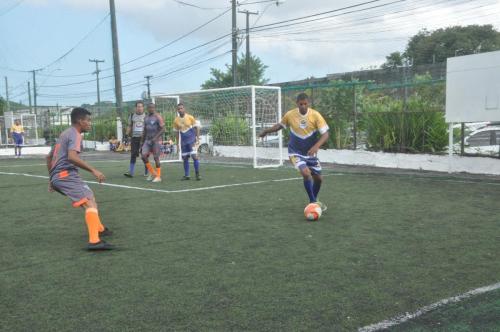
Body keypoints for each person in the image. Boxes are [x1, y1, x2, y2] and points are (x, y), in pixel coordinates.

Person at [46, 107, 113, 250]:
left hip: (60, 176)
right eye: (88, 120)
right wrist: (93, 170)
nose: (90, 123)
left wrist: (51, 179)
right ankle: (94, 241)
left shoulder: (64, 134)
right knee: (89, 203)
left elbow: (49, 157)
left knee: (90, 197)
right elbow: (72, 157)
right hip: (65, 175)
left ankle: (99, 229)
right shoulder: (75, 134)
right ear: (79, 121)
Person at [259, 93, 329, 211]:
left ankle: (314, 200)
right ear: (297, 104)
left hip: (310, 153)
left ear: (308, 103)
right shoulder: (290, 115)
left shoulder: (315, 115)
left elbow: (325, 134)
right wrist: (266, 131)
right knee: (306, 173)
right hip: (295, 152)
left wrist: (316, 146)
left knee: (318, 179)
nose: (303, 106)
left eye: (305, 104)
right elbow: (279, 126)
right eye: (300, 104)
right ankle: (312, 203)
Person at [173, 103, 201, 180]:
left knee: (195, 157)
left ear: (184, 109)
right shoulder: (176, 120)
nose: (180, 110)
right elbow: (176, 132)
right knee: (185, 158)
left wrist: (197, 138)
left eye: (181, 108)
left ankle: (197, 174)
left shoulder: (190, 117)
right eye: (179, 109)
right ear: (177, 110)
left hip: (192, 141)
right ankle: (187, 175)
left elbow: (197, 127)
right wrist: (178, 143)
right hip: (183, 142)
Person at [124, 101, 148, 178]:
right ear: (135, 108)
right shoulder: (132, 116)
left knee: (144, 155)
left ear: (143, 107)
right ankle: (131, 172)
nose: (139, 108)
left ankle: (146, 172)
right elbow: (129, 126)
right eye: (138, 106)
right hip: (134, 138)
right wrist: (126, 135)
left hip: (144, 139)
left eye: (141, 106)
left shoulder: (146, 116)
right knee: (133, 155)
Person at [141, 102, 164, 183]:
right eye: (149, 107)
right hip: (147, 140)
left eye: (152, 107)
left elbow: (162, 129)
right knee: (143, 156)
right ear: (147, 108)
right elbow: (144, 130)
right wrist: (142, 141)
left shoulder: (158, 117)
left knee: (156, 158)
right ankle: (152, 173)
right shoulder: (146, 118)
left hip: (156, 141)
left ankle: (158, 176)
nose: (151, 109)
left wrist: (155, 138)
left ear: (155, 108)